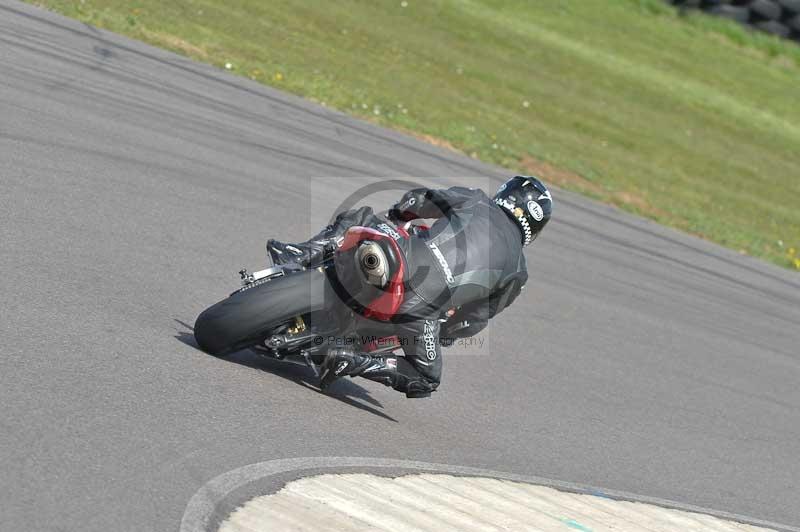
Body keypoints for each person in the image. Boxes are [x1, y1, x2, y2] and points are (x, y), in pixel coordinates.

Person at [266, 176, 552, 398]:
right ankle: (352, 359)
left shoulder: (477, 200)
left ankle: (300, 254)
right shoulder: (518, 271)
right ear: (535, 228)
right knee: (426, 379)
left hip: (401, 255)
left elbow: (421, 200)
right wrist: (446, 333)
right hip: (422, 311)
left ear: (504, 194)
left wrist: (400, 215)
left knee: (361, 217)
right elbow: (474, 320)